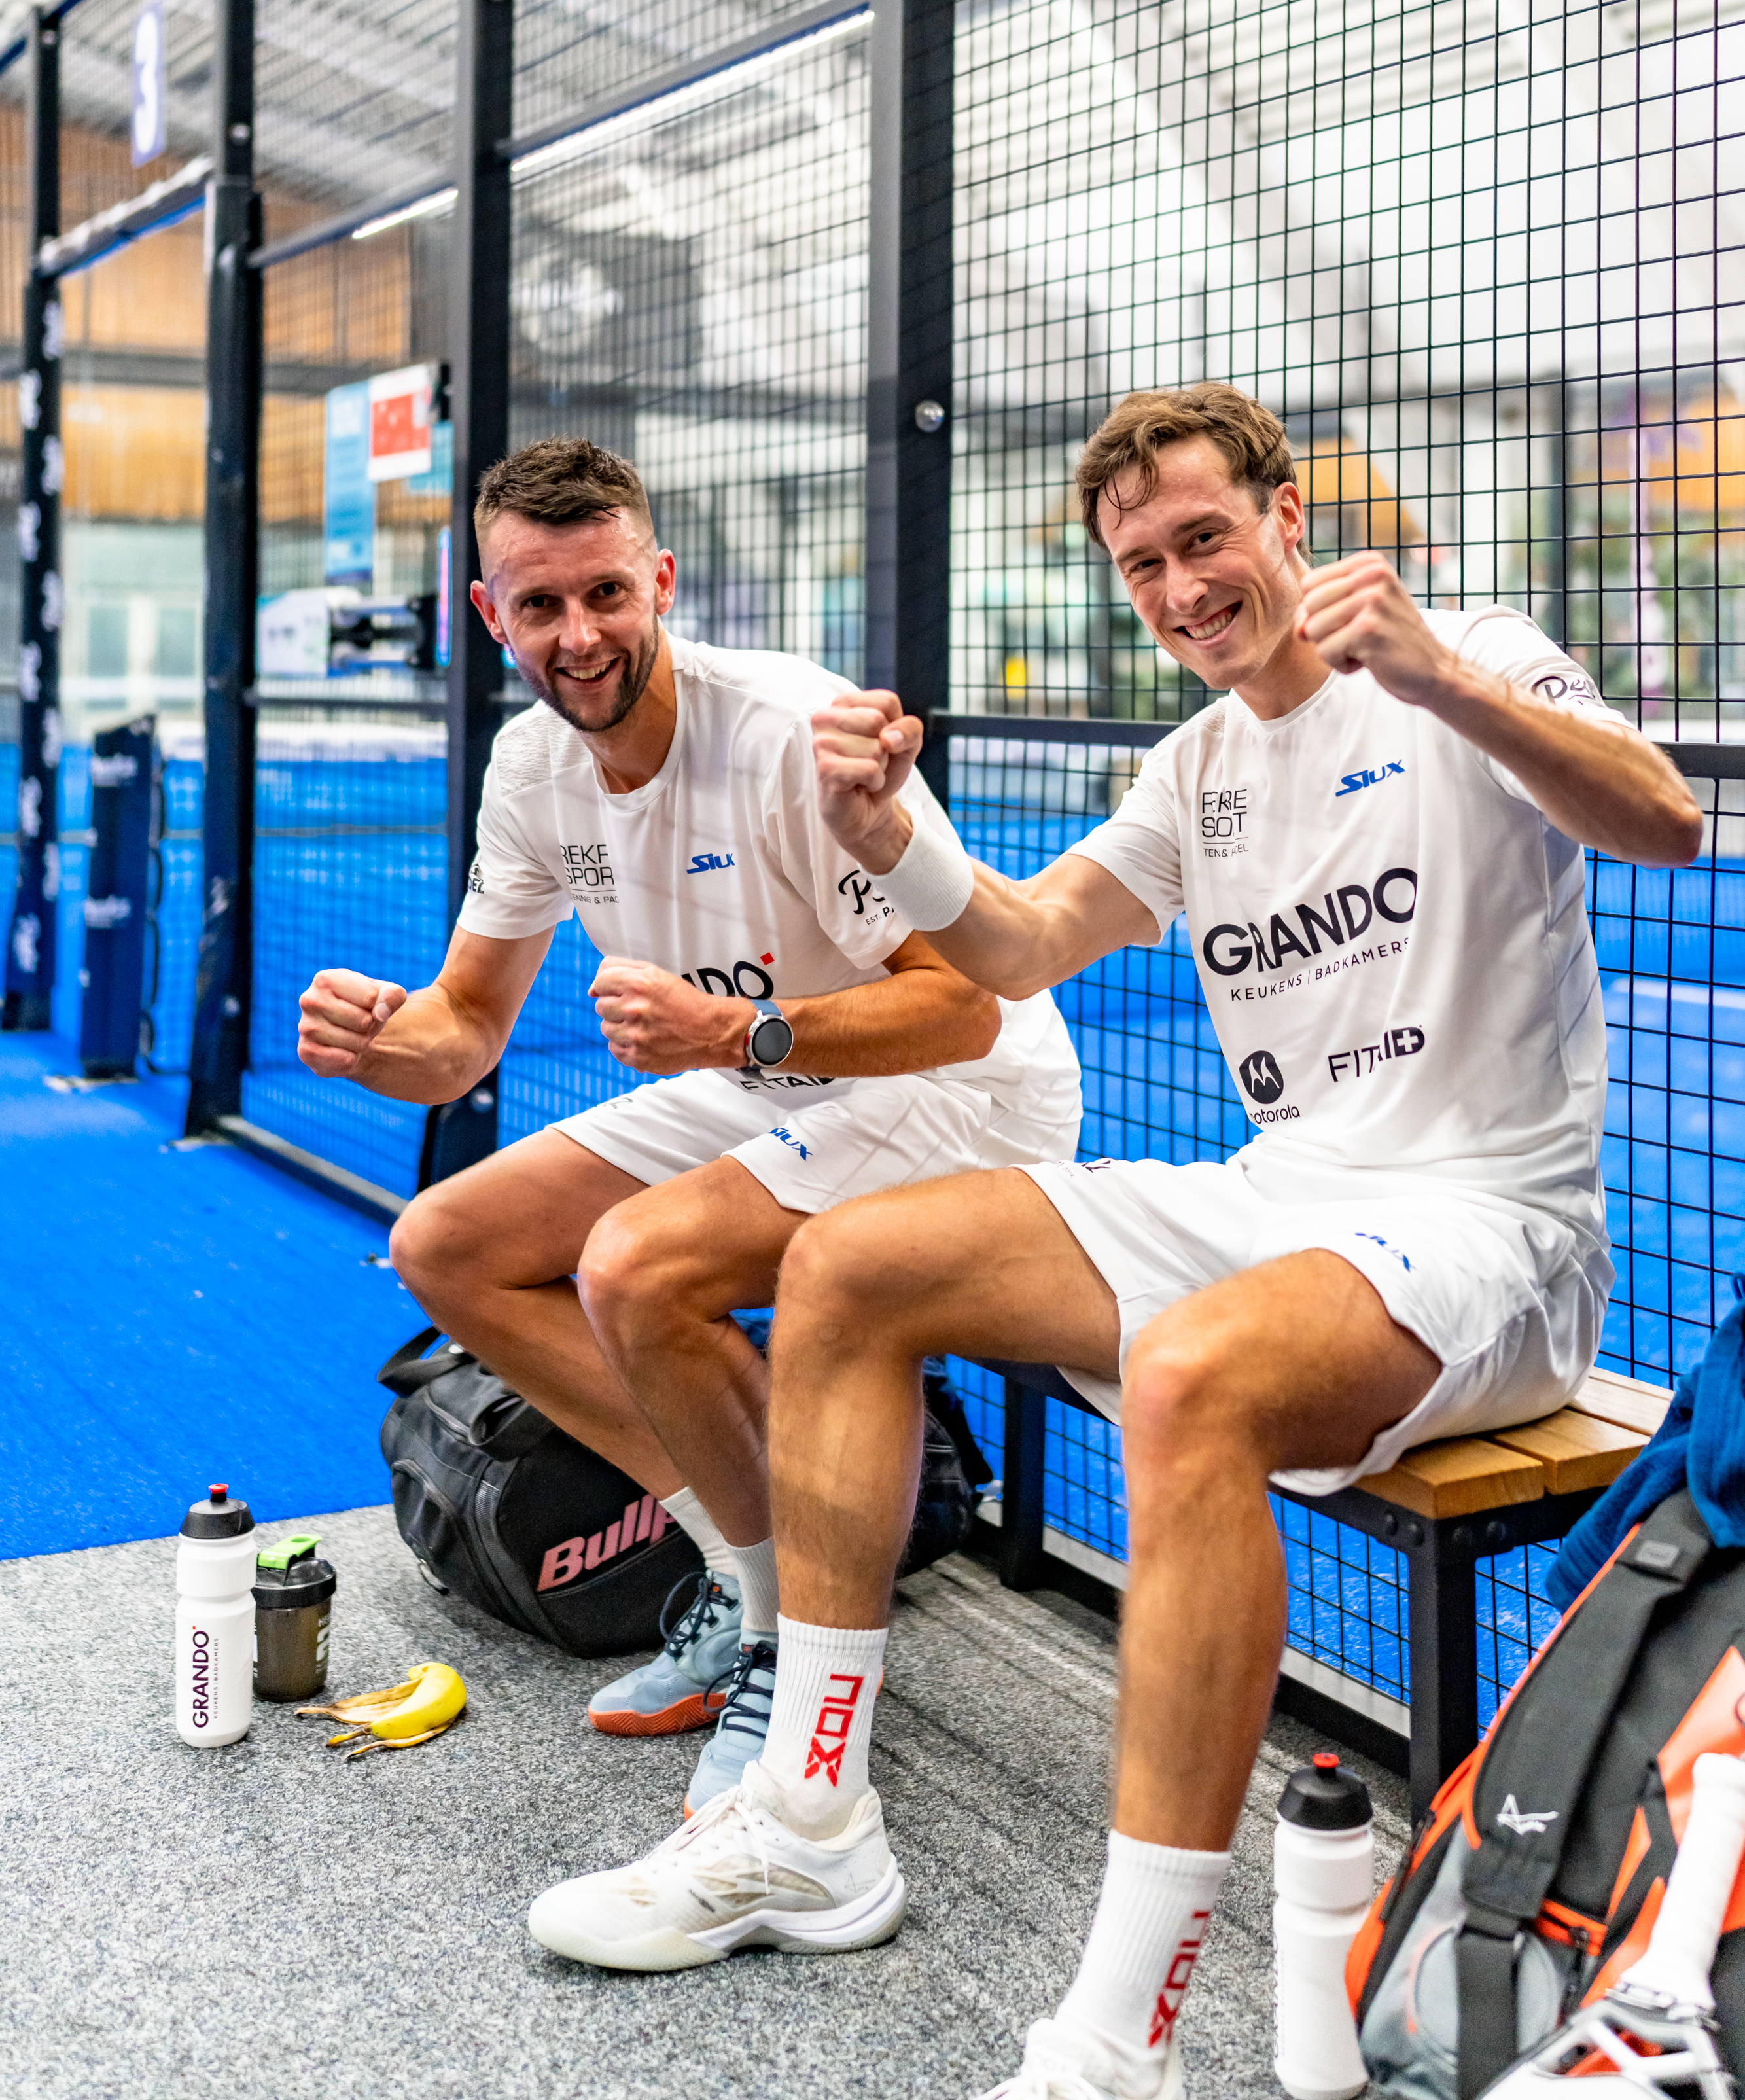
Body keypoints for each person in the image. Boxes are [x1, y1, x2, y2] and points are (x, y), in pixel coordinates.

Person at [526, 383, 1704, 2097]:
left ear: (1289, 519)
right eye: (1139, 566)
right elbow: (1010, 946)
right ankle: (811, 1816)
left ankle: (1114, 2040)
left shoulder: (1473, 652)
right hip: (1284, 1198)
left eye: (1203, 539)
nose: (1176, 589)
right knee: (849, 1264)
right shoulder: (1190, 768)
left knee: (1187, 1382)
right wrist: (892, 839)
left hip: (1493, 1234)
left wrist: (1443, 681)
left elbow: (1658, 818)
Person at [296, 436, 1081, 1808]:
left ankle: (795, 1635)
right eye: (537, 605)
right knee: (448, 1243)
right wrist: (377, 1046)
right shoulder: (531, 764)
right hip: (779, 1077)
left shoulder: (784, 729)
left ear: (658, 580)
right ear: (492, 616)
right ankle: (761, 1553)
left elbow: (963, 1007)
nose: (577, 632)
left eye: (605, 592)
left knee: (636, 1263)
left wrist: (735, 1031)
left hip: (964, 1092)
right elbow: (462, 1031)